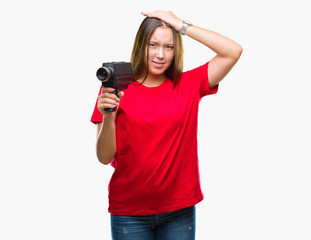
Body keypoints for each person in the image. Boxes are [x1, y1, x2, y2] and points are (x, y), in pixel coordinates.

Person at [91, 10, 242, 240]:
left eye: (168, 47)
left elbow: (233, 51)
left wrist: (181, 25)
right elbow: (104, 157)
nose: (160, 54)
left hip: (178, 211)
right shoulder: (116, 89)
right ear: (141, 45)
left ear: (176, 50)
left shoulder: (189, 84)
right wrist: (109, 115)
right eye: (153, 45)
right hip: (129, 213)